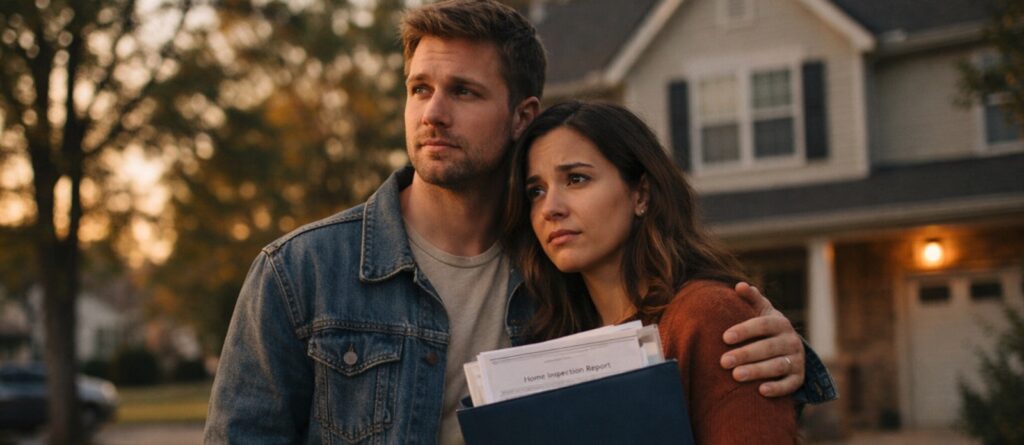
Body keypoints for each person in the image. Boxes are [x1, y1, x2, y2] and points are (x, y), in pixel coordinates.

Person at [204, 1, 835, 444]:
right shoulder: (300, 272)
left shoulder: (556, 274)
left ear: (521, 113)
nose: (433, 113)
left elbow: (673, 344)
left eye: (464, 92)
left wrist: (791, 354)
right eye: (419, 88)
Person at [502, 101, 797, 443]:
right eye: (536, 191)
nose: (550, 208)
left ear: (640, 193)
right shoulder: (553, 339)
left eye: (576, 179)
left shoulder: (706, 317)